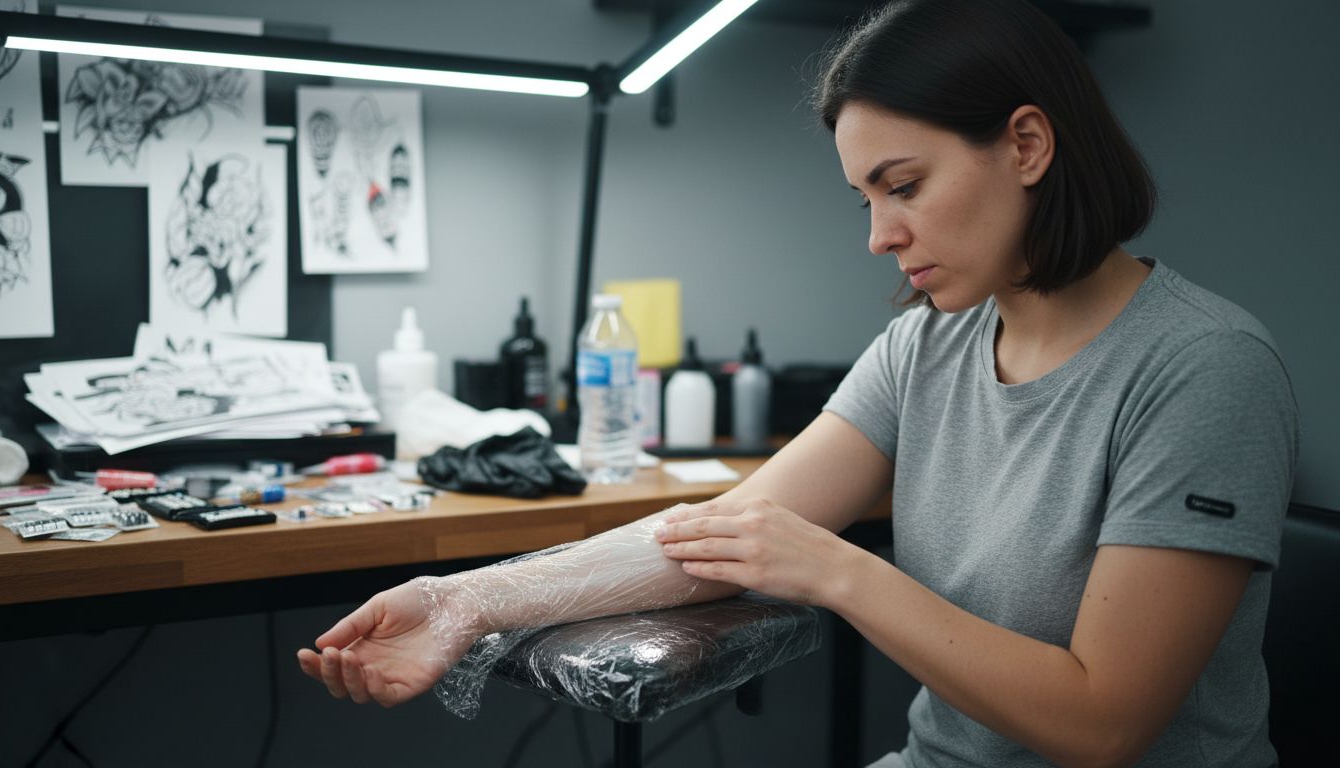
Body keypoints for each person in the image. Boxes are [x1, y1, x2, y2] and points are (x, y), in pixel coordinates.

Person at [298, 0, 1298, 765]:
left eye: (904, 186)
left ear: (1028, 146)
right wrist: (466, 602)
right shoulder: (928, 348)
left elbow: (1100, 724)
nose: (880, 235)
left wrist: (838, 570)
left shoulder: (1204, 370)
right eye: (866, 197)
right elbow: (717, 536)